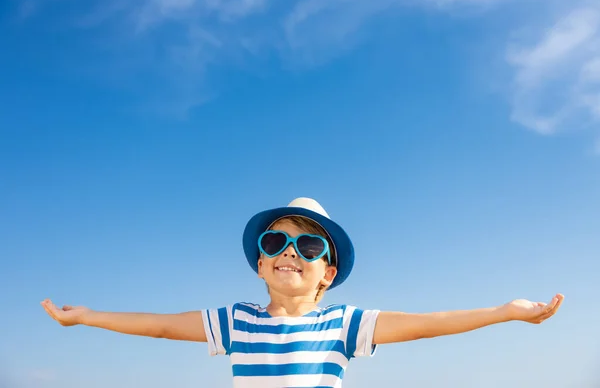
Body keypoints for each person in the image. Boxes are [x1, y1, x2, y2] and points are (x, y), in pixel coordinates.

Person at [41, 197, 564, 387]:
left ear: (327, 273)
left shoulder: (344, 325)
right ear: (262, 263)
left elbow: (431, 321)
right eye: (278, 241)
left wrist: (505, 312)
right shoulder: (235, 321)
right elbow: (156, 324)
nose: (291, 251)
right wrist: (85, 317)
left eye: (308, 244)